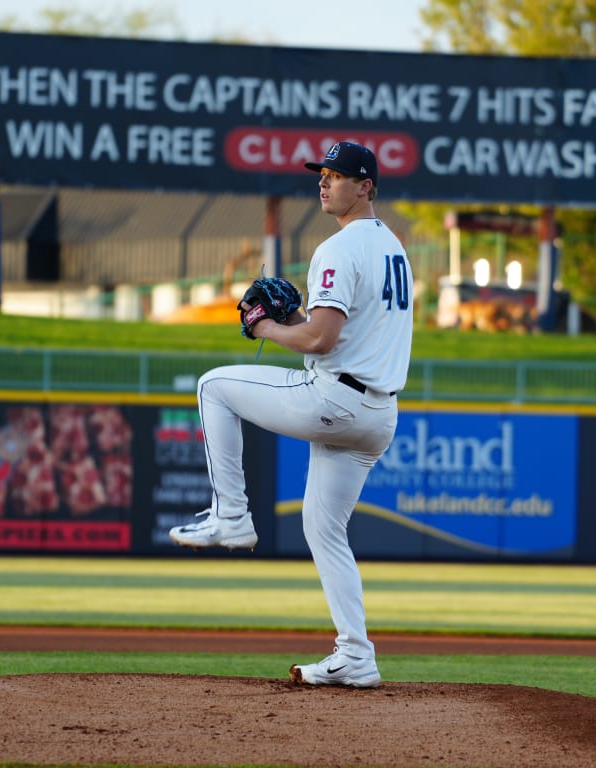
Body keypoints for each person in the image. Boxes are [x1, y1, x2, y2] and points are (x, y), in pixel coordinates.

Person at [169, 141, 413, 689]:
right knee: (323, 527)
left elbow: (322, 340)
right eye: (322, 174)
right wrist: (297, 317)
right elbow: (345, 333)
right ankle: (356, 655)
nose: (324, 183)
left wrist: (267, 327)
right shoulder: (393, 247)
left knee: (214, 385)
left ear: (366, 186)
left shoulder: (337, 248)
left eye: (338, 175)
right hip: (378, 415)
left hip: (335, 399)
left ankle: (231, 516)